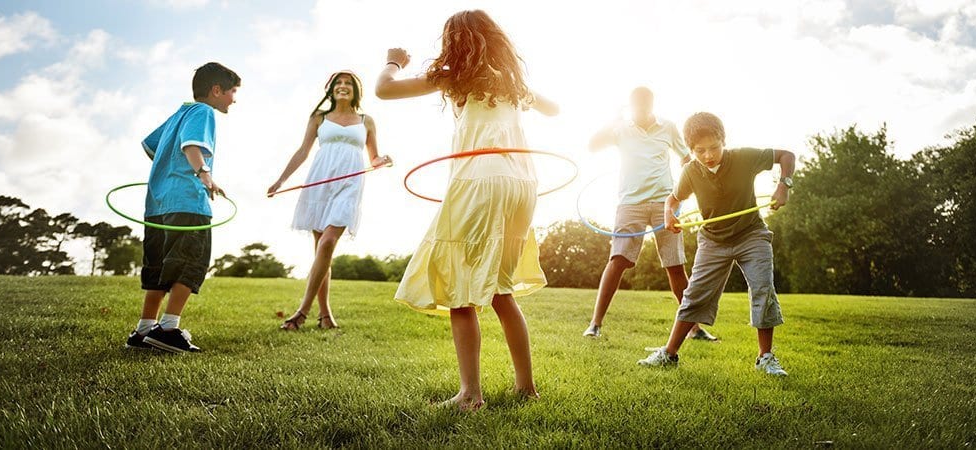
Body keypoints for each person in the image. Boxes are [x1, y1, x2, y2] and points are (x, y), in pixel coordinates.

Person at [375, 9, 559, 411]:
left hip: (481, 179)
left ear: (454, 41)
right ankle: (526, 388)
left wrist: (393, 60)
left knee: (461, 288)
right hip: (522, 183)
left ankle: (470, 395)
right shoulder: (512, 82)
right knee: (500, 288)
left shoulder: (452, 75)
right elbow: (555, 109)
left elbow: (384, 91)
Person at [637, 112, 795, 376]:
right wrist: (669, 216)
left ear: (724, 140)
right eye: (700, 151)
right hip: (713, 241)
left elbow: (786, 155)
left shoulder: (744, 157)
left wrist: (784, 184)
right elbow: (672, 200)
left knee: (762, 288)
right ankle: (669, 354)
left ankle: (765, 358)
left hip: (751, 234)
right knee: (694, 295)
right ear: (690, 150)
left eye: (714, 147)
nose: (708, 155)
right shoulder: (691, 171)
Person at [582, 87, 715, 341]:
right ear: (630, 106)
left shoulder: (668, 127)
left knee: (675, 265)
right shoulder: (620, 128)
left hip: (664, 202)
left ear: (652, 105)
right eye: (636, 107)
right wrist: (613, 120)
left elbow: (687, 158)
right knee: (618, 260)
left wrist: (686, 190)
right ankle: (595, 324)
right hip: (629, 203)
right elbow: (591, 145)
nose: (640, 111)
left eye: (645, 106)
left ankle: (694, 328)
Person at [125, 62, 240, 353]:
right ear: (217, 90)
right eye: (232, 92)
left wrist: (169, 174)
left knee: (158, 266)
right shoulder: (203, 112)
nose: (234, 99)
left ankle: (143, 331)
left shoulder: (179, 113)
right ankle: (168, 328)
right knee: (190, 262)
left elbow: (151, 146)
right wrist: (205, 175)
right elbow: (192, 146)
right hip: (188, 201)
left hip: (157, 203)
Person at [268, 71, 391, 330]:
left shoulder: (366, 120)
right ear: (331, 89)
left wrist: (383, 161)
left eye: (348, 83)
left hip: (350, 184)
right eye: (338, 83)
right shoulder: (319, 118)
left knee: (327, 242)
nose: (343, 86)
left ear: (356, 90)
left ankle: (302, 311)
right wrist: (281, 180)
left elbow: (374, 158)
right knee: (322, 251)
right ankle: (325, 316)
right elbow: (303, 151)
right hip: (320, 182)